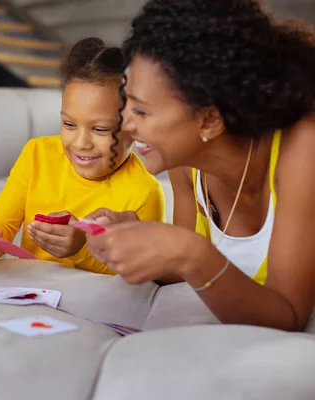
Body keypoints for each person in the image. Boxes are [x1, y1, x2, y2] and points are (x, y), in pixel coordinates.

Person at [86, 0, 315, 330]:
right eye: (127, 104)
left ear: (209, 119)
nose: (125, 126)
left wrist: (188, 251)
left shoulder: (303, 146)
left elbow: (289, 315)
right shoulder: (187, 163)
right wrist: (143, 237)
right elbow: (193, 268)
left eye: (142, 111)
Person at [0, 38, 165, 275]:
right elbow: (0, 226)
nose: (81, 143)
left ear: (134, 128)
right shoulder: (37, 155)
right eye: (69, 124)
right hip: (30, 292)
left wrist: (82, 245)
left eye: (100, 129)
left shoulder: (145, 193)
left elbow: (134, 274)